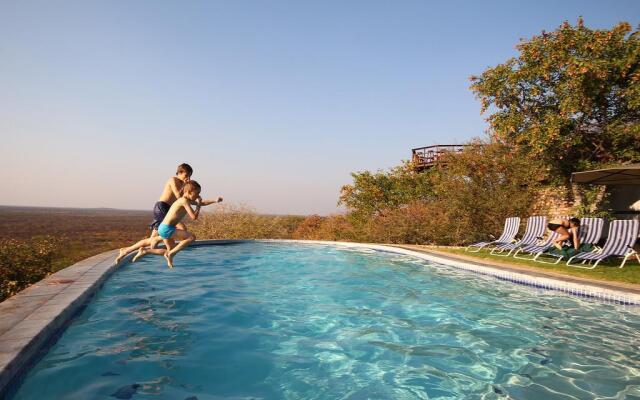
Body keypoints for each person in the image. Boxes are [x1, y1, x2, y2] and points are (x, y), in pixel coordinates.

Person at [116, 180, 222, 267]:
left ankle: (146, 251)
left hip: (164, 228)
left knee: (168, 251)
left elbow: (203, 203)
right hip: (167, 228)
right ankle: (171, 253)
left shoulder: (187, 200)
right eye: (197, 193)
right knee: (191, 237)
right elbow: (194, 217)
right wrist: (198, 205)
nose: (198, 195)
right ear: (189, 192)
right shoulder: (183, 201)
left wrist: (214, 200)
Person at [133, 163, 193, 262]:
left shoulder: (182, 183)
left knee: (154, 239)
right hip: (161, 207)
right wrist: (185, 186)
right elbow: (178, 196)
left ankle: (134, 251)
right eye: (186, 175)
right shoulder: (172, 180)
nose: (188, 178)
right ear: (179, 173)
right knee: (181, 228)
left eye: (189, 176)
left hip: (168, 209)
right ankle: (143, 250)